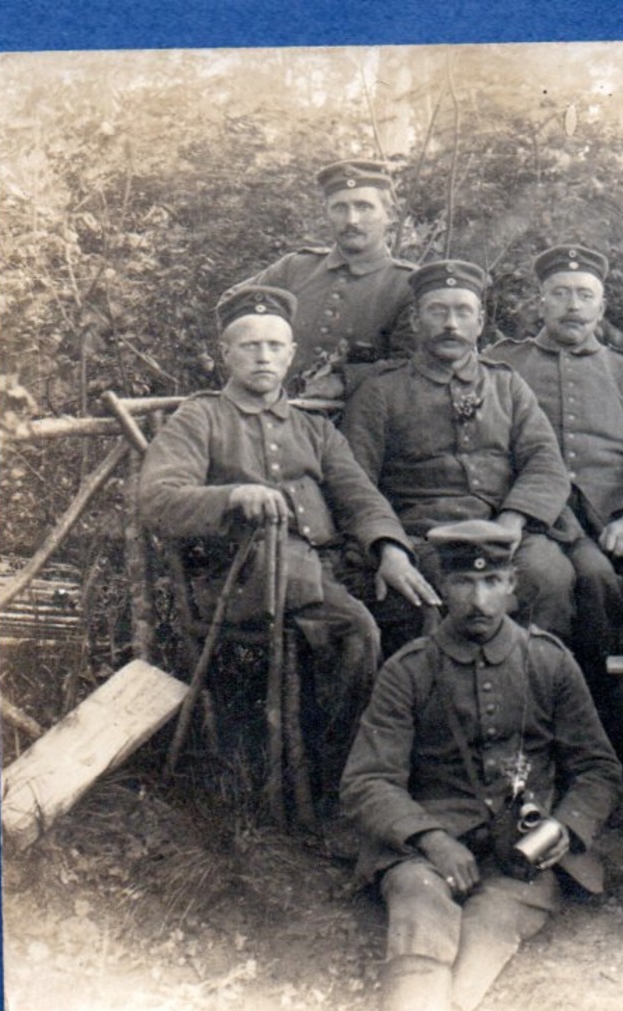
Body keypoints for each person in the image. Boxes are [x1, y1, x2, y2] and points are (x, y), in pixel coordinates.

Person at [139, 285, 437, 811]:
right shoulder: (201, 418)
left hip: (324, 568)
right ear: (225, 354)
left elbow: (360, 498)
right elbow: (157, 502)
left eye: (275, 346)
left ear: (291, 354)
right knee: (354, 631)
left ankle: (410, 776)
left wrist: (391, 550)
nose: (263, 357)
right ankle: (344, 793)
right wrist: (233, 495)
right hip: (246, 576)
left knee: (419, 614)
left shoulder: (313, 428)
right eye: (249, 346)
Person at [340, 520, 622, 1011]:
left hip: (520, 851)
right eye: (465, 583)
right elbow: (367, 781)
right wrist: (430, 838)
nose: (479, 599)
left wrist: (561, 829)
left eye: (492, 581)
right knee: (418, 902)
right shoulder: (409, 670)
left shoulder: (549, 662)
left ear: (513, 584)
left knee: (493, 920)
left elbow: (597, 769)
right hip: (427, 848)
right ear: (443, 586)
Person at [485, 244, 623, 752]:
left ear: (601, 305)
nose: (573, 305)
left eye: (585, 295)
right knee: (549, 582)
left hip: (604, 520)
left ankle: (611, 726)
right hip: (534, 517)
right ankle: (532, 727)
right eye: (561, 294)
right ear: (541, 302)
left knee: (599, 580)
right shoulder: (505, 363)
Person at [342, 259, 575, 655]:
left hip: (504, 529)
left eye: (462, 311)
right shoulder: (381, 390)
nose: (451, 323)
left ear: (480, 321)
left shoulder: (506, 384)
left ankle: (531, 697)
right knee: (444, 596)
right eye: (438, 311)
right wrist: (389, 546)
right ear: (416, 321)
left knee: (550, 577)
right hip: (423, 537)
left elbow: (545, 462)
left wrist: (511, 522)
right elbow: (354, 482)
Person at [236, 159, 416, 400]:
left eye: (364, 207)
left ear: (389, 214)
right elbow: (232, 304)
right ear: (327, 213)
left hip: (358, 423)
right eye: (340, 208)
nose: (352, 219)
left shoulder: (408, 284)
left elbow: (412, 367)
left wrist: (345, 381)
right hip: (274, 412)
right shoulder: (296, 267)